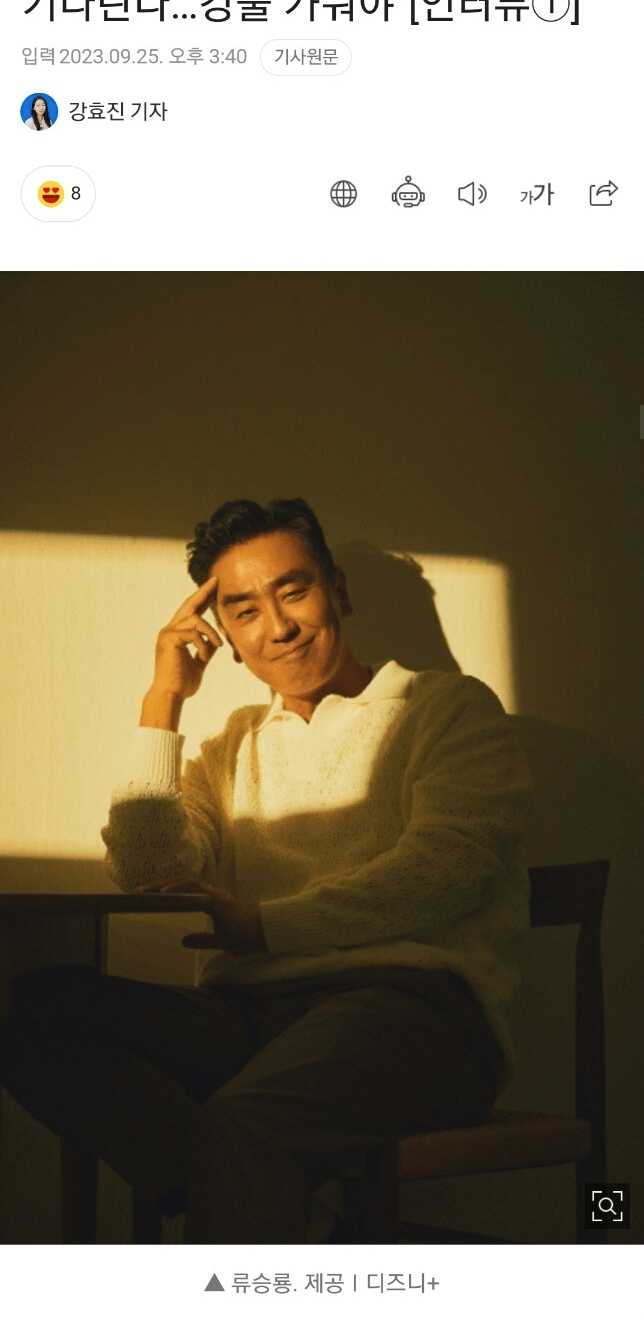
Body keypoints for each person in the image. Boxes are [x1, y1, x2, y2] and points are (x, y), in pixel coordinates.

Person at [2, 497, 533, 1243]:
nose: (278, 626)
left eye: (294, 591)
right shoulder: (232, 747)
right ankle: (289, 1219)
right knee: (32, 1010)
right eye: (245, 610)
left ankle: (252, 1199)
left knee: (243, 1121)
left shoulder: (448, 708)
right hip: (250, 1015)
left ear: (337, 589)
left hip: (412, 1011)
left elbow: (448, 868)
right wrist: (163, 700)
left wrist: (266, 925)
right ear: (223, 635)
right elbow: (148, 868)